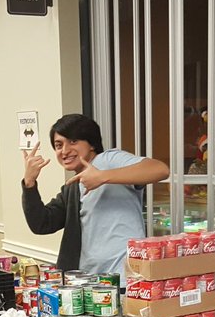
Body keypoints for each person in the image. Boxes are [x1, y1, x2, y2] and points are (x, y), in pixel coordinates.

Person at [21, 114, 170, 278]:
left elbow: (160, 169)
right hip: (88, 282)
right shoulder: (72, 188)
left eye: (73, 141)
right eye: (58, 145)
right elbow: (41, 224)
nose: (64, 151)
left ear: (91, 144)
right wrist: (29, 182)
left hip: (124, 279)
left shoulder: (109, 159)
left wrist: (103, 177)